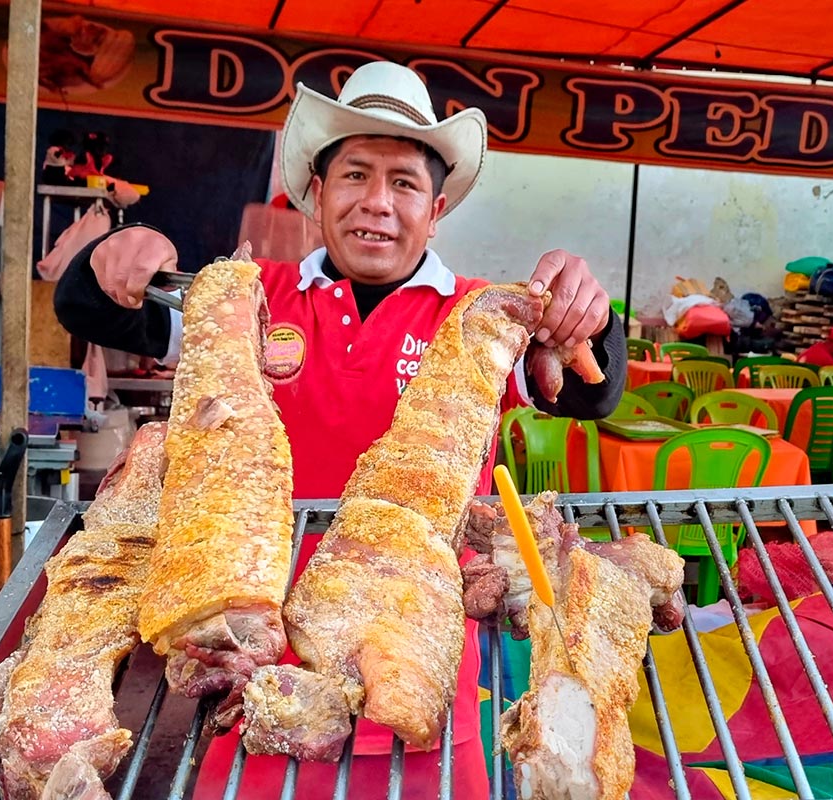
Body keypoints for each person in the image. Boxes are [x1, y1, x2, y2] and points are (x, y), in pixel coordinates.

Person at [53, 61, 626, 799]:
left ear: (438, 206)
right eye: (355, 175)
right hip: (258, 665)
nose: (377, 204)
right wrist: (113, 255)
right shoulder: (254, 298)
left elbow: (594, 392)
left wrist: (591, 318)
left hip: (417, 661)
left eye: (405, 183)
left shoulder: (481, 315)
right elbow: (95, 310)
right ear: (316, 193)